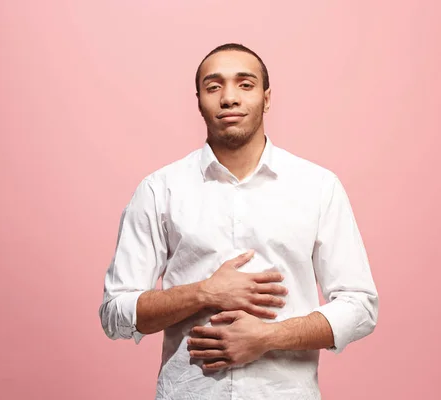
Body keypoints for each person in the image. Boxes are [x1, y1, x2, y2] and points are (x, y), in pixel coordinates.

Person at [99, 43, 379, 400]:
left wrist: (268, 337)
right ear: (198, 99)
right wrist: (203, 292)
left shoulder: (318, 186)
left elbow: (360, 305)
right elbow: (115, 313)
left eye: (245, 84)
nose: (229, 98)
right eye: (214, 87)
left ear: (266, 97)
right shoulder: (159, 190)